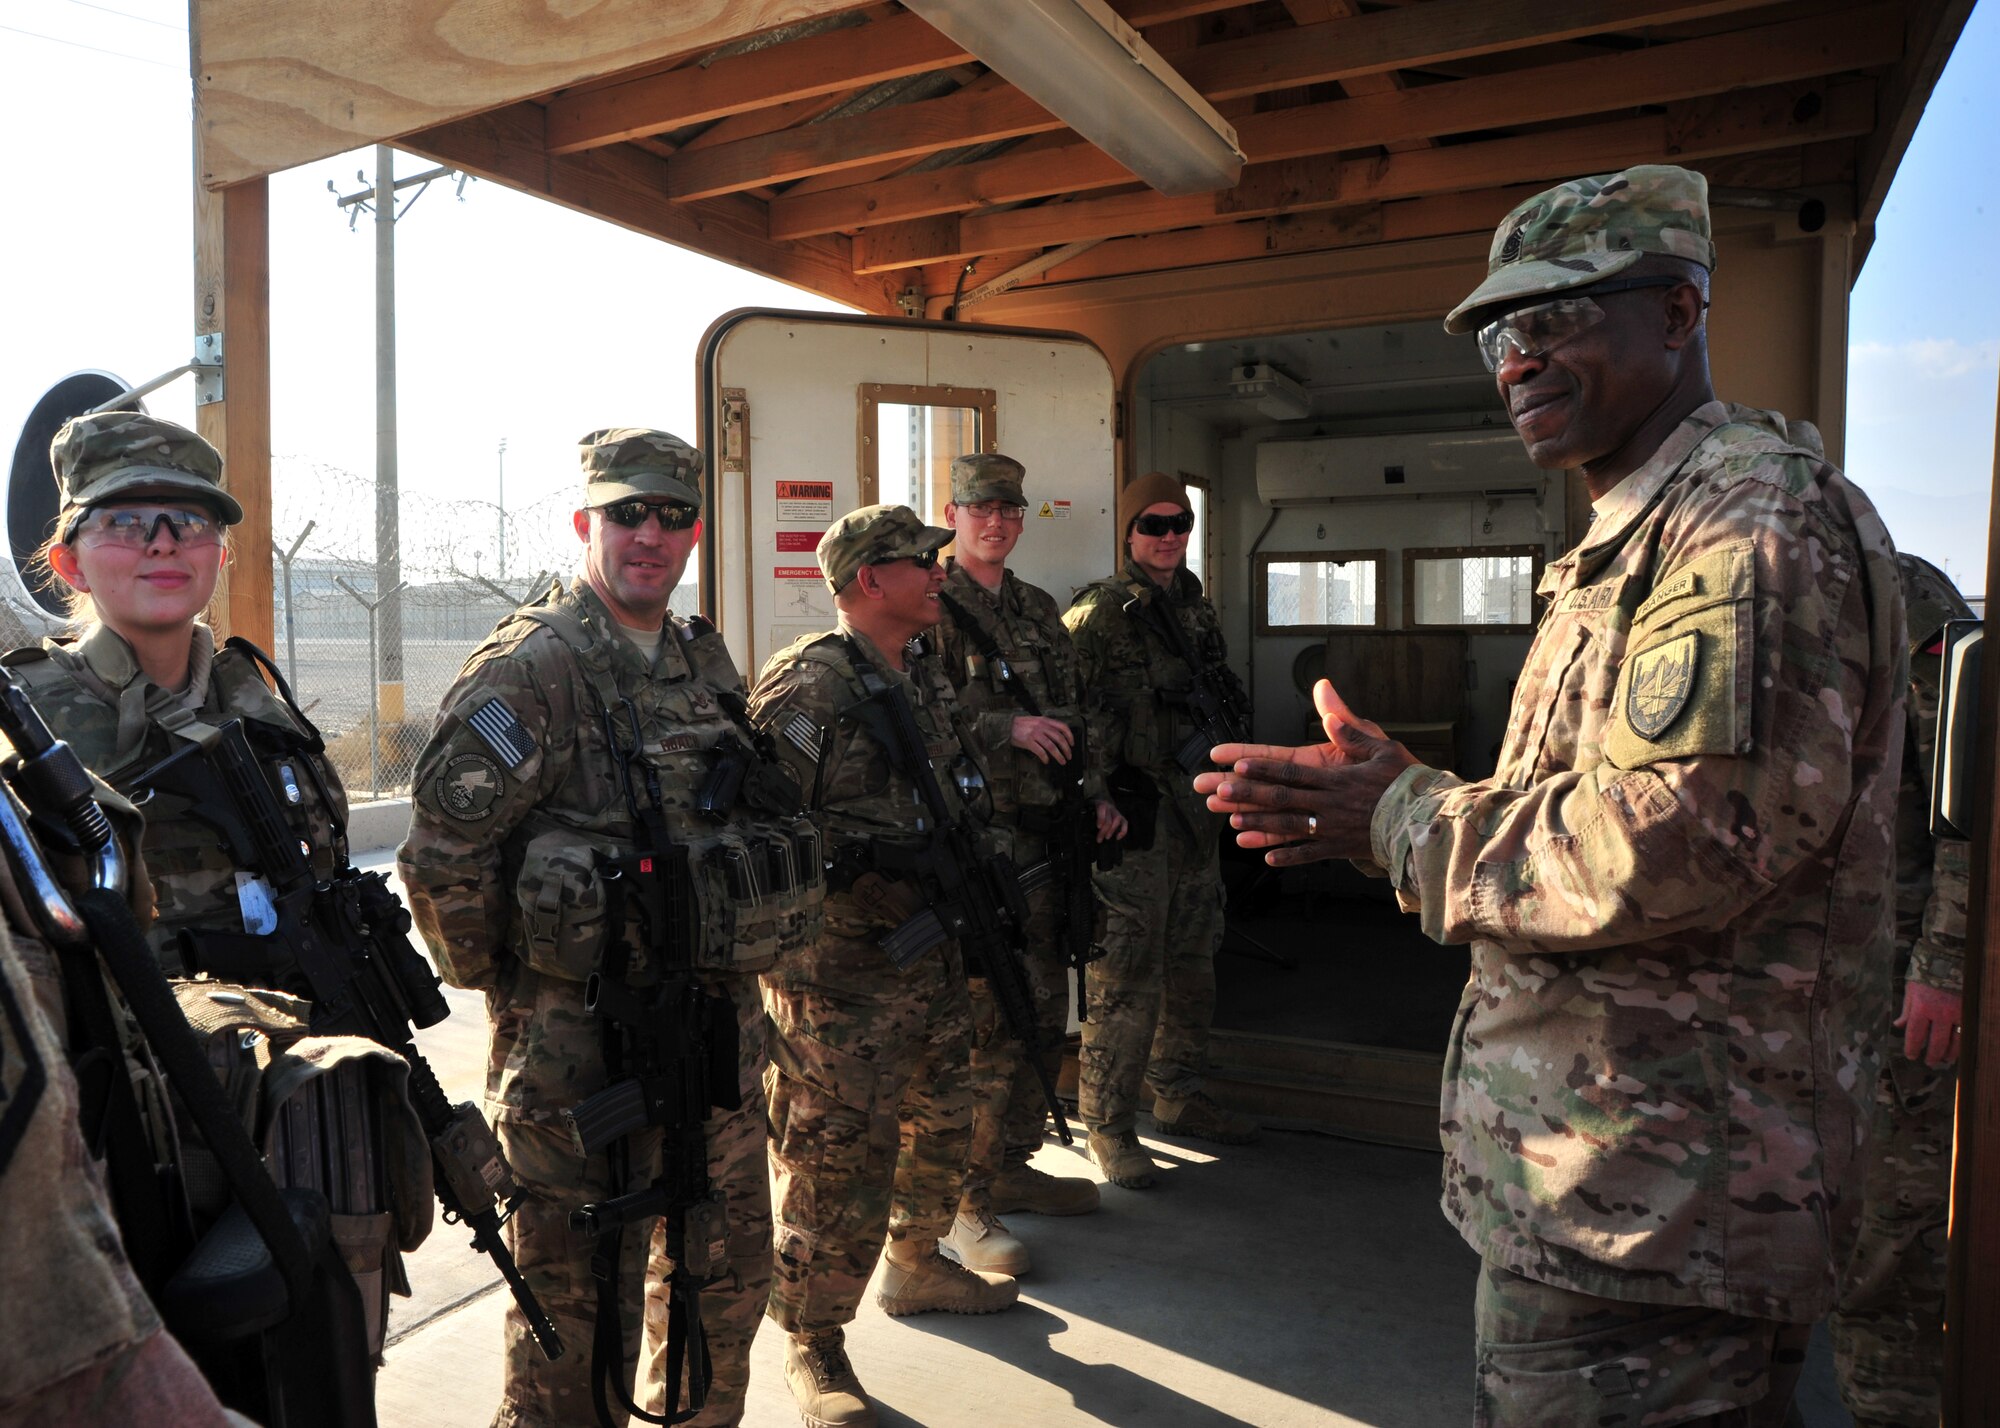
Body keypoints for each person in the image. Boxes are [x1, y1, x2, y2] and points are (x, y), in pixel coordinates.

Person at [1195, 165, 1906, 1426]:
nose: (1512, 362)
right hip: (1609, 1184)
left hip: (1665, 1205)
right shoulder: (1641, 529)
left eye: (1553, 321)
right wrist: (1402, 804)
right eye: (1495, 336)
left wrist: (1404, 818)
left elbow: (1679, 839)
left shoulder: (1743, 523)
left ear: (1680, 314)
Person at [398, 428, 821, 1428]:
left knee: (725, 1272)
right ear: (586, 521)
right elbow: (441, 857)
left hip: (712, 1023)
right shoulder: (533, 670)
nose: (649, 535)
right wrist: (524, 984)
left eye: (672, 517)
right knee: (578, 1297)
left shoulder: (699, 657)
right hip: (575, 1049)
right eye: (627, 513)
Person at [14, 411, 431, 1372]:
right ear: (69, 562)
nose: (163, 541)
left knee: (327, 1363)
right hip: (132, 1140)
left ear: (221, 555)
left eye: (188, 521)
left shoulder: (255, 695)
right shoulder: (30, 726)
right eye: (124, 521)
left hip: (303, 1116)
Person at [748, 504, 1019, 1428]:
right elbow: (758, 829)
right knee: (835, 1160)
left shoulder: (922, 674)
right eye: (921, 561)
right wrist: (862, 873)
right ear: (871, 580)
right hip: (838, 979)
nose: (938, 573)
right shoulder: (809, 689)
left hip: (929, 959)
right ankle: (812, 1340)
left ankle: (916, 1262)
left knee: (946, 1119)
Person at [931, 453, 1124, 1270]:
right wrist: (999, 731)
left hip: (1050, 841)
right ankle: (963, 1206)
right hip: (982, 850)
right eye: (980, 508)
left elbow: (1074, 713)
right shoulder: (928, 606)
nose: (997, 522)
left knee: (1047, 1012)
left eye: (1009, 509)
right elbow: (915, 727)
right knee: (988, 1028)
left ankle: (1010, 1169)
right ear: (952, 511)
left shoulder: (1040, 609)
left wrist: (1101, 793)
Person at [1062, 471, 1257, 1190]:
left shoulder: (1193, 607)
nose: (1169, 537)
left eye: (1180, 524)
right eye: (1154, 525)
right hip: (1133, 816)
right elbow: (1067, 717)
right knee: (1126, 978)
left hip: (1194, 811)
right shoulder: (1099, 615)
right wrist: (1094, 799)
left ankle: (1177, 1094)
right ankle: (1108, 1128)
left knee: (1193, 963)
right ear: (1129, 531)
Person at [1830, 551, 1972, 1427]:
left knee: (1887, 1254)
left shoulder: (1898, 588)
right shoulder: (1715, 586)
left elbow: (1972, 801)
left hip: (1891, 990)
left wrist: (1945, 969)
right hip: (1779, 998)